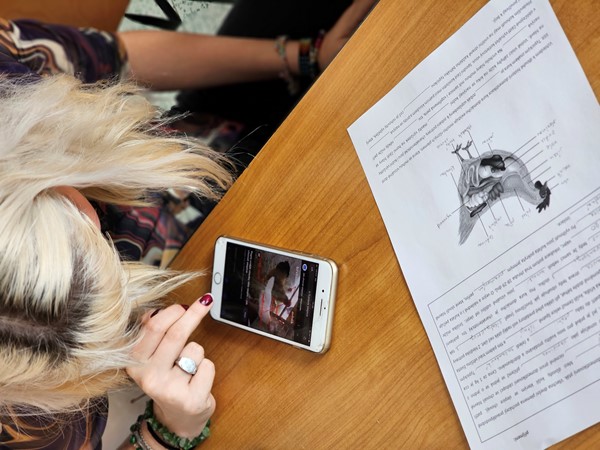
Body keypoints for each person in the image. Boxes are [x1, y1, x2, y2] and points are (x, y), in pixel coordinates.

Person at [0, 1, 377, 448]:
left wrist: (303, 56)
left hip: (187, 146)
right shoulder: (29, 428)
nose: (130, 281)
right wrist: (169, 429)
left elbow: (119, 57)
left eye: (97, 241)